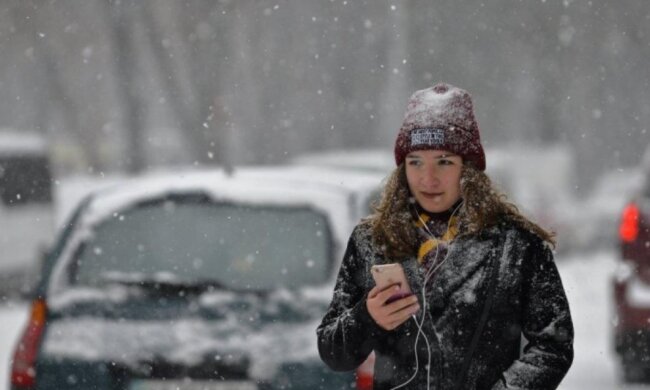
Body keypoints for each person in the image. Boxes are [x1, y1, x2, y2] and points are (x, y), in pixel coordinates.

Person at [316, 83, 574, 389]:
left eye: (444, 161)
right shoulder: (372, 241)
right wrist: (367, 318)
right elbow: (334, 352)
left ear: (469, 168)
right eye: (415, 162)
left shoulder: (517, 245)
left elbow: (553, 345)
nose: (428, 178)